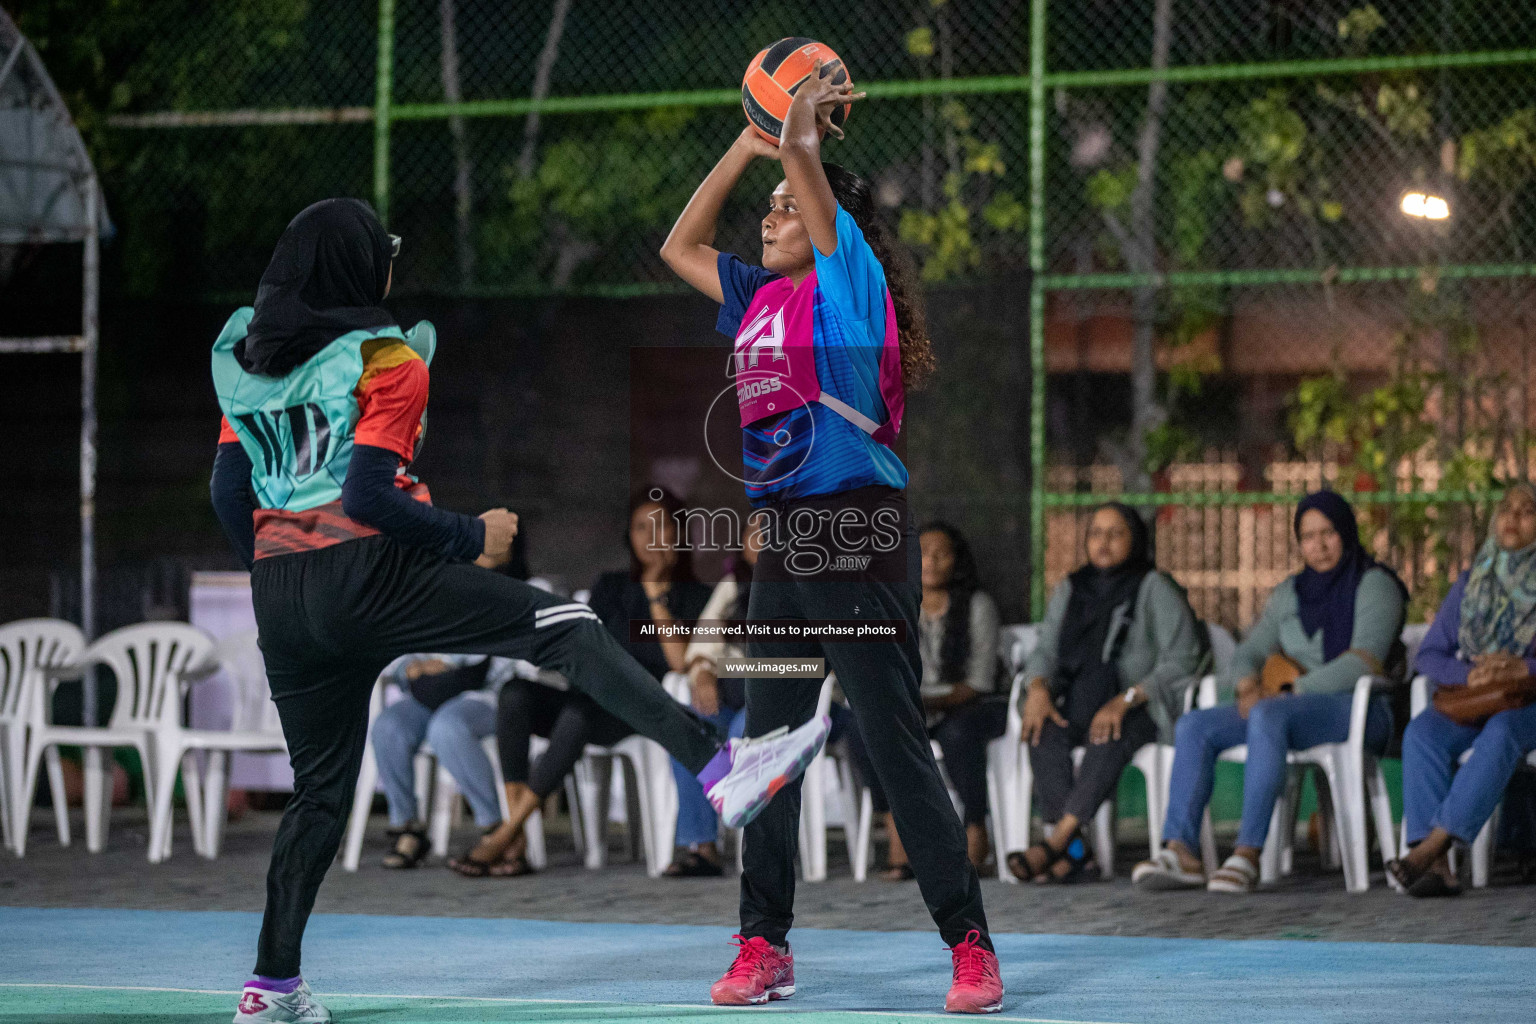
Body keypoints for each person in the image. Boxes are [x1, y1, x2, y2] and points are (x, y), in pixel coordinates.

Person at [209, 199, 829, 1024]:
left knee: (320, 795)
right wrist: (473, 536)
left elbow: (227, 495)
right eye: (382, 250)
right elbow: (365, 494)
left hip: (280, 593)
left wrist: (286, 572)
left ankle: (271, 985)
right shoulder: (387, 359)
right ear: (357, 268)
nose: (391, 261)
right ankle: (724, 772)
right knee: (567, 629)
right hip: (367, 572)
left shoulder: (248, 363)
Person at [660, 62, 1001, 1013]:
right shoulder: (754, 299)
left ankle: (969, 945)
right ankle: (763, 943)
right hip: (783, 542)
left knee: (892, 744)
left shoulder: (848, 283)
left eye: (783, 207)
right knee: (766, 748)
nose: (767, 218)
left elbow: (809, 171)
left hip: (854, 530)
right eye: (765, 207)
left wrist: (801, 109)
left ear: (823, 224)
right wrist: (749, 138)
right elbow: (678, 242)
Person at [1131, 490, 1405, 893]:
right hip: (1285, 712)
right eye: (1308, 536)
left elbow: (1364, 661)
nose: (1319, 544)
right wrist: (1245, 684)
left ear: (1346, 532)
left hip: (1360, 709)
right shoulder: (1290, 593)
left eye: (1328, 532)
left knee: (1266, 714)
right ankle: (1181, 851)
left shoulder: (1376, 585)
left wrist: (1293, 690)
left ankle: (1247, 854)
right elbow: (1250, 651)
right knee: (1194, 726)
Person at [446, 488, 712, 877]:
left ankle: (505, 836)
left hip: (637, 711)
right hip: (586, 698)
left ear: (678, 535)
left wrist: (657, 593)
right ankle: (514, 835)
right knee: (516, 693)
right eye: (641, 527)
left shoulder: (694, 596)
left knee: (578, 714)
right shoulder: (610, 587)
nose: (649, 537)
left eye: (660, 526)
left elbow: (679, 662)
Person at [1008, 503, 1206, 883]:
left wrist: (1124, 700)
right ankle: (1077, 852)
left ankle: (1058, 842)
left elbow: (1183, 659)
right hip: (1076, 700)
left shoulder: (1155, 587)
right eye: (1096, 533)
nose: (1104, 542)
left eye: (1116, 533)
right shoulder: (1072, 588)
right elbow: (1046, 651)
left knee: (1108, 734)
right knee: (1042, 729)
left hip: (1139, 709)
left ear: (1136, 540)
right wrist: (1037, 689)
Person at [1389, 483, 1536, 896]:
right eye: (1506, 508)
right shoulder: (1473, 582)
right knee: (1421, 733)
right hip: (1477, 698)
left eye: (1527, 511)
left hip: (1527, 703)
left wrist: (1520, 665)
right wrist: (1467, 675)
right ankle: (1438, 868)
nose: (1513, 518)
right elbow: (1430, 656)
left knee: (1503, 731)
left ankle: (1430, 845)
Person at [845, 522, 1008, 878]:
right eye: (922, 552)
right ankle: (896, 828)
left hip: (969, 704)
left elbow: (979, 683)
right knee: (860, 727)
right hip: (908, 705)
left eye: (941, 553)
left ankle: (974, 828)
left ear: (956, 561)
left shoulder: (977, 606)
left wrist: (922, 705)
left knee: (959, 734)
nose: (930, 561)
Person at [665, 518, 764, 876]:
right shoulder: (734, 584)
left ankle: (754, 847)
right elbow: (704, 641)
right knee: (686, 729)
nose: (763, 540)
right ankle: (703, 847)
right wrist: (703, 670)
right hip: (732, 692)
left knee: (742, 735)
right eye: (755, 533)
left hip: (782, 696)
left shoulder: (810, 585)